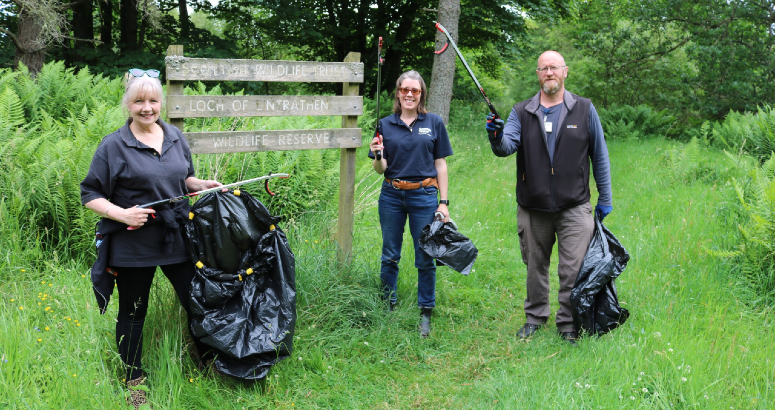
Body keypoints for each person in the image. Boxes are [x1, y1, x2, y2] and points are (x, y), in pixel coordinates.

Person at [80, 69, 222, 408]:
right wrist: (122, 214)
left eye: (153, 100)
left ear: (161, 103)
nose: (147, 108)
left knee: (196, 301)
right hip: (134, 243)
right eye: (139, 101)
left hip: (176, 236)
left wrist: (199, 185)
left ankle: (208, 365)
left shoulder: (173, 135)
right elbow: (90, 194)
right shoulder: (114, 145)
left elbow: (181, 177)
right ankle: (134, 382)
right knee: (133, 312)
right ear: (128, 104)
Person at [485, 51, 613, 345]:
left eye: (554, 67)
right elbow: (506, 147)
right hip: (533, 207)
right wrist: (495, 135)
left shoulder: (584, 109)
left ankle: (568, 323)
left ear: (565, 72)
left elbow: (600, 155)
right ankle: (534, 318)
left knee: (572, 269)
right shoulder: (522, 111)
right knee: (534, 265)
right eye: (543, 68)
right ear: (538, 74)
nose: (549, 73)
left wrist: (604, 197)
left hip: (575, 205)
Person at [369, 70, 453, 338]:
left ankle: (425, 310)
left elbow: (440, 164)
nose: (409, 94)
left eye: (414, 91)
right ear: (397, 92)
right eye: (404, 89)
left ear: (421, 94)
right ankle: (387, 305)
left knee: (425, 256)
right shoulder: (384, 124)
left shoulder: (434, 122)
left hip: (424, 195)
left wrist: (444, 202)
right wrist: (378, 155)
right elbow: (380, 169)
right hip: (392, 194)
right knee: (390, 254)